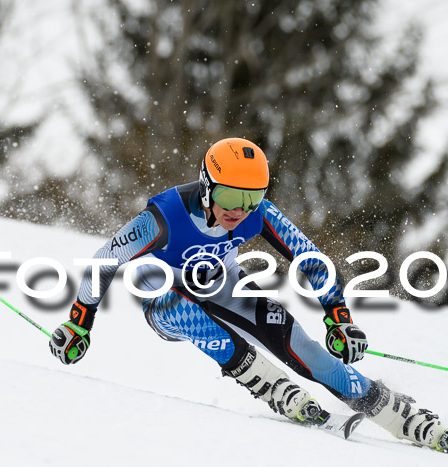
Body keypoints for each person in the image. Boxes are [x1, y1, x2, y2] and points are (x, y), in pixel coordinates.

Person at [48, 137, 447, 451]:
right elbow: (105, 259)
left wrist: (338, 317)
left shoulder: (259, 213)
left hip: (223, 287)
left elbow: (310, 258)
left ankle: (396, 412)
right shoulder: (164, 216)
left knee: (301, 346)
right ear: (206, 185)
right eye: (228, 198)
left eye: (250, 199)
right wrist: (79, 323)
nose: (238, 211)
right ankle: (267, 383)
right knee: (187, 311)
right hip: (163, 299)